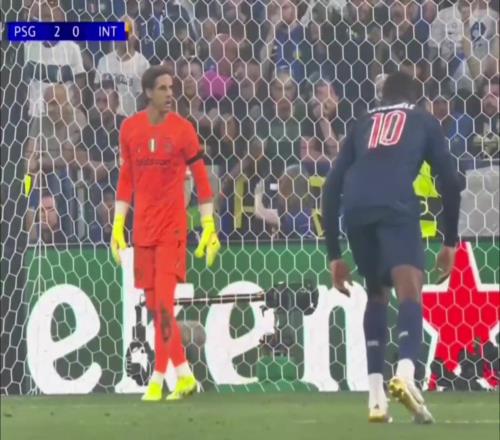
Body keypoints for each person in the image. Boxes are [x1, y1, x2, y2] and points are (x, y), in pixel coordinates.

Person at [322, 72, 461, 423]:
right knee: (409, 289)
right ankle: (405, 373)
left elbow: (331, 184)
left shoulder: (362, 122)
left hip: (356, 209)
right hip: (395, 205)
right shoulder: (423, 120)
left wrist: (334, 255)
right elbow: (449, 180)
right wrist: (450, 240)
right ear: (415, 98)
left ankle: (376, 399)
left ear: (383, 97)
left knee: (376, 293)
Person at [111, 65, 221, 401]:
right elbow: (126, 180)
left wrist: (208, 224)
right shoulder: (130, 129)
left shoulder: (183, 129)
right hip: (142, 230)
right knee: (156, 307)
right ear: (147, 92)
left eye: (171, 88)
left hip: (172, 229)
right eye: (162, 88)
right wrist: (117, 224)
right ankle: (172, 377)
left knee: (161, 305)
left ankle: (170, 378)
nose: (170, 93)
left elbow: (201, 179)